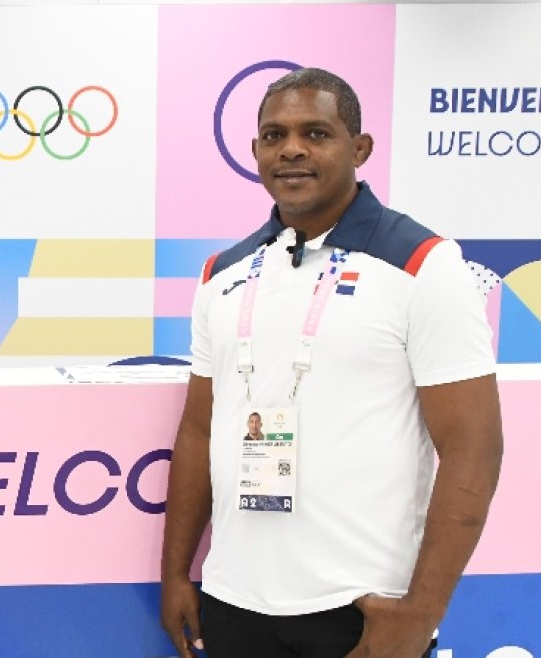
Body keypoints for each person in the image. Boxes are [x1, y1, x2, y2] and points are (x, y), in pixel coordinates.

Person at [160, 68, 502, 658]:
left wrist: (420, 614)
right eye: (274, 135)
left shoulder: (423, 263)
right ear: (256, 152)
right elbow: (197, 430)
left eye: (316, 133)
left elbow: (475, 447)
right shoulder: (224, 274)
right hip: (233, 601)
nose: (291, 148)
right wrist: (176, 573)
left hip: (363, 610)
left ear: (359, 148)